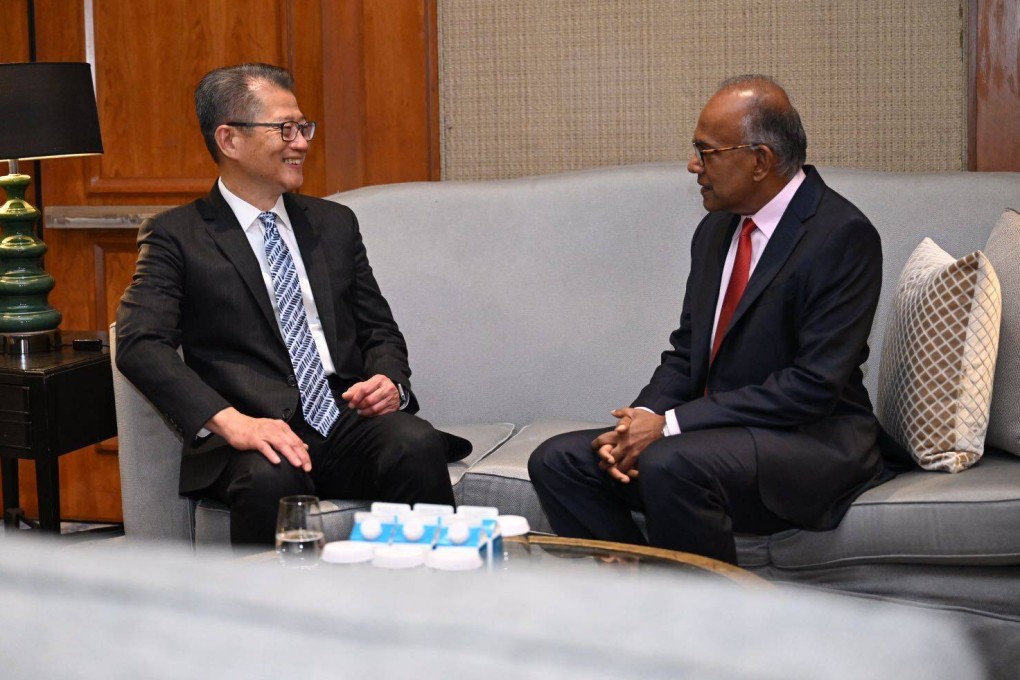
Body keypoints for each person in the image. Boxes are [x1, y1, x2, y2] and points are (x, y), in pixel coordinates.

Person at [528, 75, 893, 565]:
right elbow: (687, 351)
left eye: (707, 152)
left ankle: (704, 624)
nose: (693, 165)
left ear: (760, 160)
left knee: (669, 462)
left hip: (810, 442)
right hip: (715, 440)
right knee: (559, 460)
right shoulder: (716, 229)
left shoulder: (842, 235)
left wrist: (670, 426)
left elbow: (812, 386)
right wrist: (639, 421)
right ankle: (632, 597)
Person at [116, 63, 469, 548]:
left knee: (414, 443)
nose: (301, 142)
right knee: (269, 479)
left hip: (341, 416)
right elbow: (140, 344)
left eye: (304, 127)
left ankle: (429, 606)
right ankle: (272, 621)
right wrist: (231, 423)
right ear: (229, 139)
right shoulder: (177, 235)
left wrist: (389, 381)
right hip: (252, 430)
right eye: (285, 129)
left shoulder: (334, 224)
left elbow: (378, 330)